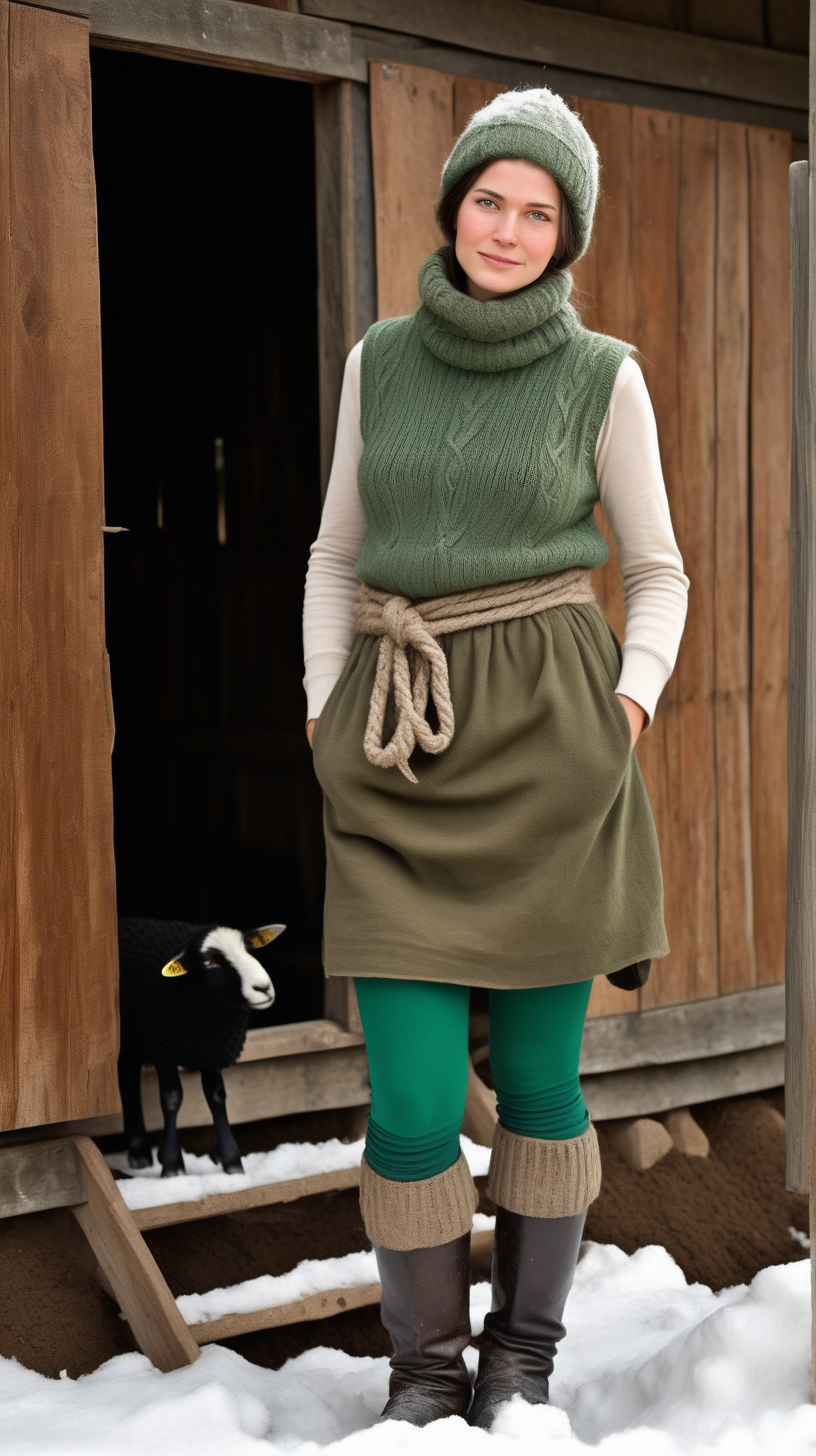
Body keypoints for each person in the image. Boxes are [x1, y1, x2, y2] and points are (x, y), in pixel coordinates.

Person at [302, 87, 688, 1430]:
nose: (510, 230)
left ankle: (520, 1362)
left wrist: (623, 716)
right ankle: (423, 1375)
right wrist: (318, 714)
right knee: (411, 1093)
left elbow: (657, 573)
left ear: (563, 233)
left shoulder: (604, 374)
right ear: (453, 206)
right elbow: (335, 554)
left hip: (553, 745)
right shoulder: (379, 362)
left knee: (538, 1082)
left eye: (538, 212)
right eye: (490, 201)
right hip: (400, 743)